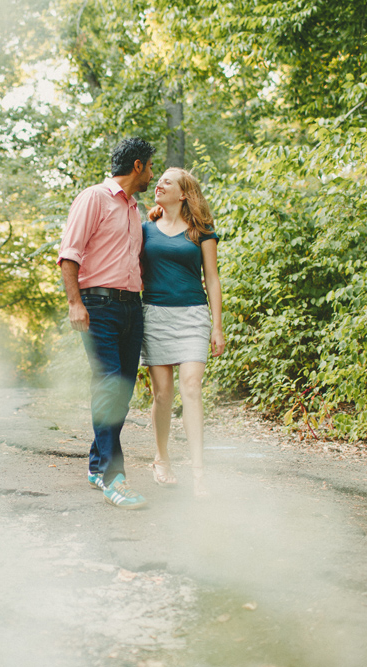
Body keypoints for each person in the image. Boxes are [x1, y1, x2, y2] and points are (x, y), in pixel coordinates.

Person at [57, 137, 156, 509]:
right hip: (98, 306)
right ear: (136, 166)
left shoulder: (134, 209)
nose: (152, 174)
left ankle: (98, 466)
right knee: (110, 387)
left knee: (123, 391)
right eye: (149, 166)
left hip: (132, 308)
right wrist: (75, 303)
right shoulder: (94, 198)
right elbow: (69, 254)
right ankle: (115, 479)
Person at [140, 167, 225, 498]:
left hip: (192, 315)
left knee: (191, 388)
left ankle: (199, 472)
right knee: (162, 394)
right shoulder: (145, 230)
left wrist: (217, 326)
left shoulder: (201, 231)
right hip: (155, 315)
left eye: (167, 182)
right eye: (158, 179)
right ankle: (161, 458)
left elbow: (213, 278)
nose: (158, 184)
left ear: (184, 194)